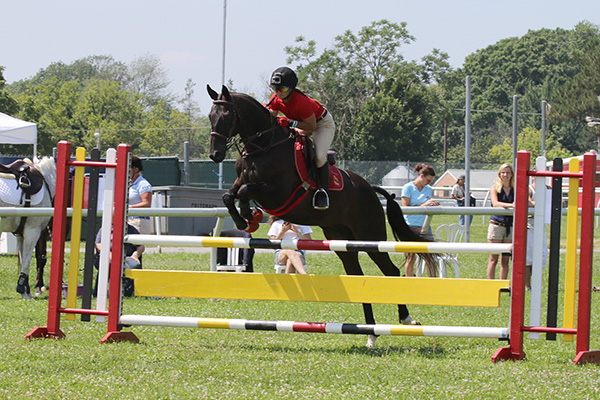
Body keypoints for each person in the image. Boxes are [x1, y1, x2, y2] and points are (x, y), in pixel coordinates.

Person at [266, 66, 335, 210]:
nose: (278, 92)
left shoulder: (301, 102)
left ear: (291, 88)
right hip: (302, 123)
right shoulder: (276, 98)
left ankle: (322, 192)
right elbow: (271, 118)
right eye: (275, 89)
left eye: (282, 89)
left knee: (319, 156)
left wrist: (290, 123)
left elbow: (311, 127)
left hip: (321, 124)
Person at [401, 163, 439, 277]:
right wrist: (424, 205)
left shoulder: (428, 189)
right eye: (428, 180)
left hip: (425, 226)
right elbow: (405, 208)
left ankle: (433, 281)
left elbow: (426, 205)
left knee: (430, 258)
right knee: (410, 258)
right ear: (422, 175)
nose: (429, 183)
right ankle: (409, 281)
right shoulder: (408, 187)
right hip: (410, 226)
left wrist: (432, 205)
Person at [94, 224, 145, 297]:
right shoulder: (104, 229)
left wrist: (135, 255)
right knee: (107, 265)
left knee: (134, 265)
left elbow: (141, 246)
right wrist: (110, 255)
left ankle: (129, 294)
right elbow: (98, 245)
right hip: (109, 257)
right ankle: (99, 294)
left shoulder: (131, 229)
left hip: (128, 257)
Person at [487, 163, 514, 280]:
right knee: (493, 258)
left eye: (507, 172)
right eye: (503, 172)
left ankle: (502, 283)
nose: (505, 175)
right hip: (497, 225)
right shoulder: (495, 188)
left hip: (510, 226)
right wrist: (512, 205)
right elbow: (495, 203)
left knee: (506, 259)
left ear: (512, 174)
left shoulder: (515, 189)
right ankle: (490, 284)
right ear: (499, 174)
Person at [128, 155, 153, 234]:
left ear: (136, 169)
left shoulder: (143, 184)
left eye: (129, 168)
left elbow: (147, 204)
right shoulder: (130, 183)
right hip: (130, 220)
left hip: (139, 221)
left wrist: (129, 207)